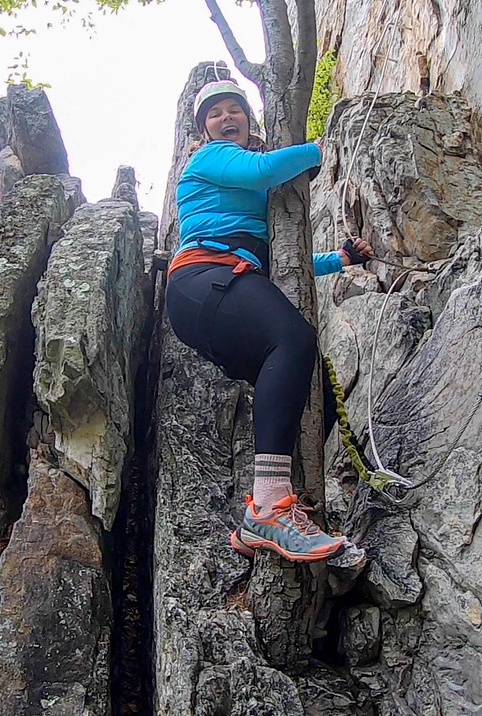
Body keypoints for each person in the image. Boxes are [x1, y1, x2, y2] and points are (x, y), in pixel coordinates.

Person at [165, 78, 374, 563]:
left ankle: (267, 514)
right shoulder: (210, 157)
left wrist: (339, 259)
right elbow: (263, 170)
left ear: (250, 118)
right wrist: (322, 148)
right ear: (203, 130)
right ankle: (268, 510)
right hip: (205, 276)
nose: (226, 118)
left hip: (221, 287)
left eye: (235, 109)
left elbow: (284, 257)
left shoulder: (242, 184)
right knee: (294, 341)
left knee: (310, 381)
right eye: (215, 113)